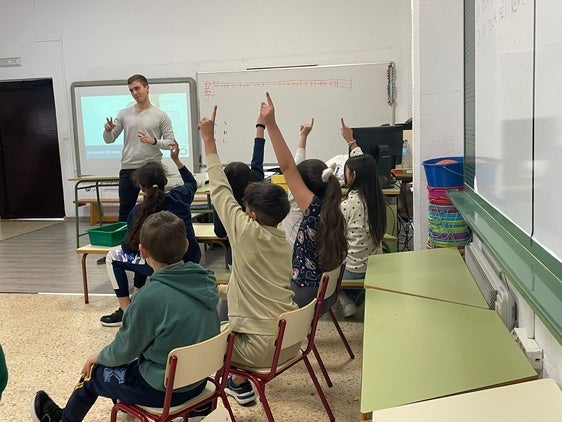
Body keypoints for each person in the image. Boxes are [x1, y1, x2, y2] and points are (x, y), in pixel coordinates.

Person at [31, 211, 220, 422]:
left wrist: (99, 356)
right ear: (186, 245)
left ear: (142, 251)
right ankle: (191, 409)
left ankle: (64, 419)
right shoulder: (205, 281)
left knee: (94, 372)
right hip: (199, 382)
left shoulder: (147, 299)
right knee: (130, 363)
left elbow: (124, 350)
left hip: (164, 390)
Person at [199, 106, 299, 406]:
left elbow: (219, 190)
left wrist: (209, 140)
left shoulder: (245, 231)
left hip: (259, 348)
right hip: (289, 341)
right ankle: (239, 384)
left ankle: (197, 401)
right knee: (228, 316)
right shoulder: (283, 242)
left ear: (251, 214)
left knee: (191, 345)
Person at [100, 140, 201, 327]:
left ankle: (126, 311)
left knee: (115, 256)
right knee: (143, 250)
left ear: (141, 188)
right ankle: (138, 294)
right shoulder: (180, 197)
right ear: (165, 181)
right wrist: (176, 159)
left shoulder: (138, 211)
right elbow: (191, 182)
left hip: (160, 265)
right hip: (189, 259)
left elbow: (127, 247)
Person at [260, 93, 348, 308]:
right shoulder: (333, 208)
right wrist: (302, 138)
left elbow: (288, 167)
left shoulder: (313, 210)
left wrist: (270, 124)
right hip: (324, 296)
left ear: (304, 190)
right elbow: (294, 168)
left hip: (302, 296)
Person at [103, 74, 175, 222]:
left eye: (137, 88)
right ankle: (125, 244)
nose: (135, 93)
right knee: (125, 212)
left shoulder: (160, 115)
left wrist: (154, 141)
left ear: (147, 88)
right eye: (131, 90)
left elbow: (171, 143)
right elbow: (109, 140)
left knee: (157, 209)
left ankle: (157, 242)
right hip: (129, 167)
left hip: (151, 168)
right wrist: (108, 131)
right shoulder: (123, 114)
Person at [338, 119, 387, 317]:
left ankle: (345, 299)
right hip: (375, 265)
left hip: (353, 269)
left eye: (346, 173)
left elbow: (337, 238)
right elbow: (365, 166)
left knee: (323, 267)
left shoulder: (346, 206)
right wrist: (351, 142)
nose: (344, 176)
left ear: (353, 176)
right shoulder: (377, 199)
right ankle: (360, 296)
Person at [212, 113, 266, 267]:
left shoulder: (225, 202)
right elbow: (258, 157)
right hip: (262, 253)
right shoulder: (258, 190)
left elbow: (219, 232)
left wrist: (208, 139)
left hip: (236, 256)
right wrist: (260, 127)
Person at [282, 118, 314, 246]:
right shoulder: (321, 205)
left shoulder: (294, 201)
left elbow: (294, 167)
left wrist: (303, 136)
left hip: (290, 258)